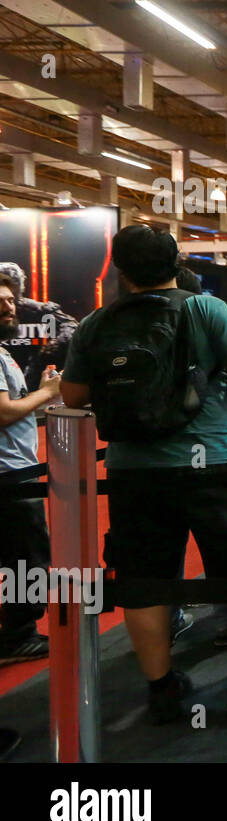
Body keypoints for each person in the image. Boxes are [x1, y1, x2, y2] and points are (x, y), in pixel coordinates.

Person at [59, 226, 227, 723]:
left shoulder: (97, 323)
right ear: (175, 262)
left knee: (145, 580)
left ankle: (161, 687)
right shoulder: (203, 308)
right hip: (212, 463)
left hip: (132, 471)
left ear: (120, 271)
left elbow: (74, 396)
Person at [0, 273, 60, 666]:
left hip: (12, 470)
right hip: (10, 475)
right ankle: (19, 635)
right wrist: (49, 393)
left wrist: (38, 391)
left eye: (9, 300)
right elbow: (4, 412)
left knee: (16, 556)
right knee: (28, 559)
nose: (8, 307)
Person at [0, 261, 78, 393]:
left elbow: (71, 325)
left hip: (34, 378)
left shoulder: (37, 309)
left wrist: (53, 347)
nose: (8, 306)